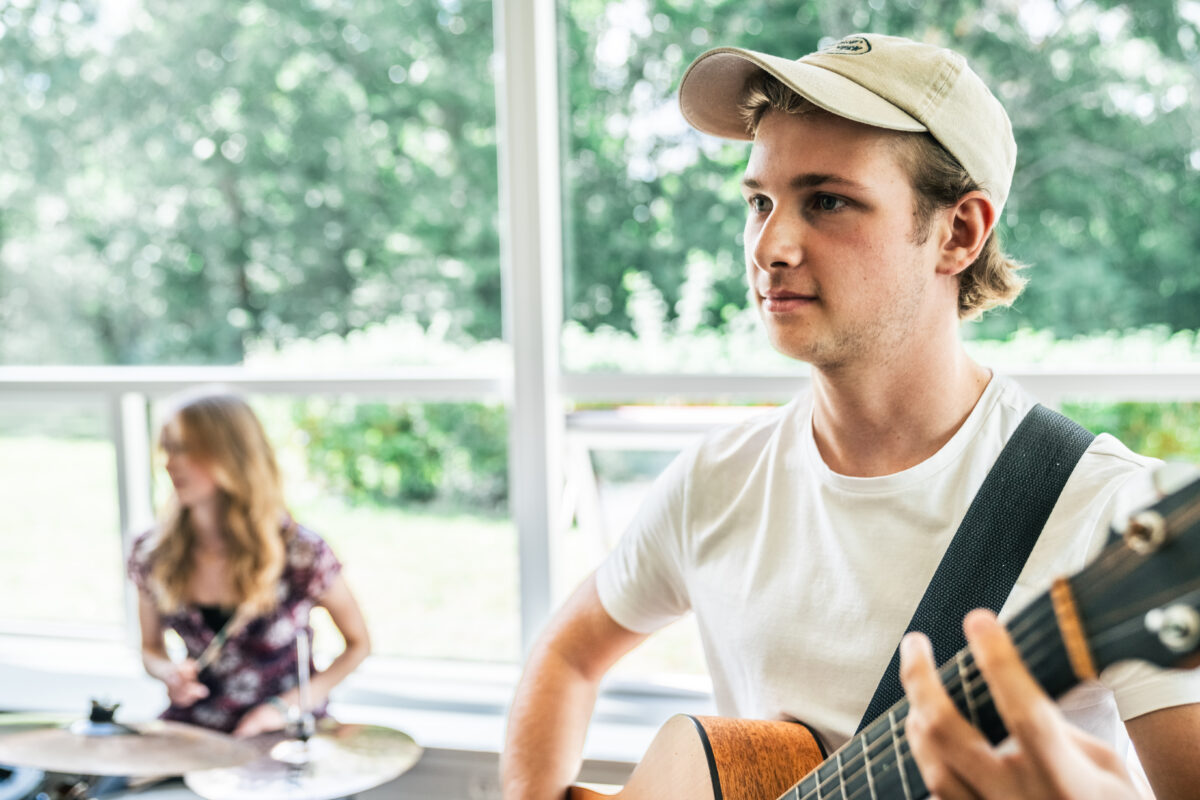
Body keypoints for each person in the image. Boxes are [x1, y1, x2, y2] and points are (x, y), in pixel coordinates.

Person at [501, 33, 1200, 799]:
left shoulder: (1111, 515)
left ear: (958, 232)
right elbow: (565, 655)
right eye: (759, 202)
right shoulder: (717, 480)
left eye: (827, 201)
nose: (770, 244)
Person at [127, 390, 371, 737]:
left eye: (183, 448)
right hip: (196, 731)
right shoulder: (151, 552)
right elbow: (150, 647)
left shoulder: (302, 553)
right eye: (166, 448)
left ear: (228, 455)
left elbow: (359, 643)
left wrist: (285, 707)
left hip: (282, 733)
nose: (168, 462)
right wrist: (169, 672)